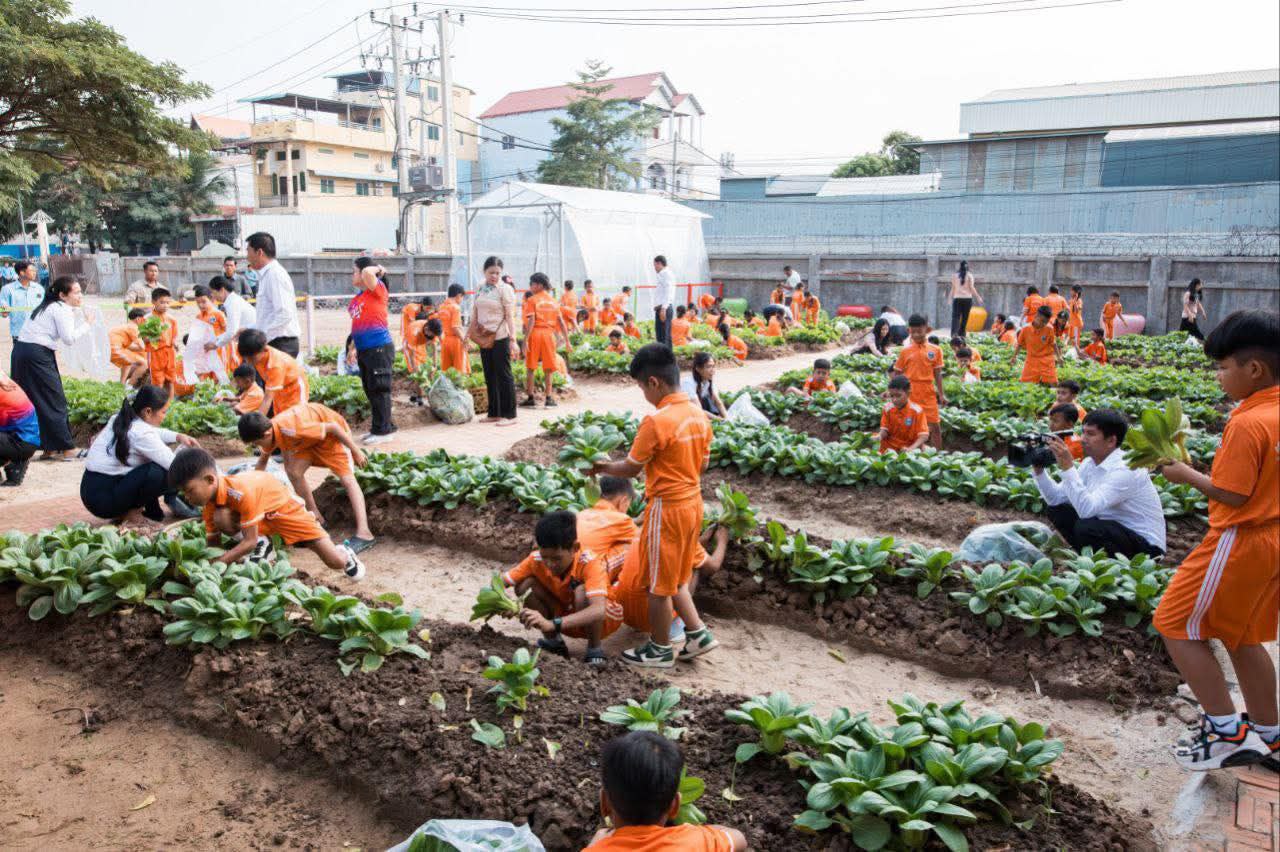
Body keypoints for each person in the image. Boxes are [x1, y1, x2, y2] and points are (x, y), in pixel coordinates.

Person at [1151, 309, 1278, 771]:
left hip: (1238, 538)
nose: (1219, 377)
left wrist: (1184, 474)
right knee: (1241, 635)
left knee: (1173, 623)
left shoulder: (1248, 423)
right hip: (1272, 539)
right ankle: (1271, 735)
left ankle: (1225, 733)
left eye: (1223, 367)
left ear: (1254, 369)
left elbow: (1233, 493)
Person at [591, 344, 717, 668]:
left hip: (668, 508)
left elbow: (632, 469)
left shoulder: (656, 421)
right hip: (694, 503)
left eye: (640, 387)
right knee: (675, 576)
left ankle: (659, 649)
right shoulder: (698, 415)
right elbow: (702, 466)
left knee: (658, 585)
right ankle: (698, 633)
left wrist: (603, 467)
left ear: (653, 383)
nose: (643, 394)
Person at [168, 447, 366, 578]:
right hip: (261, 516)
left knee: (334, 562)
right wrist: (213, 566)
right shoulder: (210, 503)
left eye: (189, 490)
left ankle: (346, 553)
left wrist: (218, 564)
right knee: (221, 517)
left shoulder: (240, 492)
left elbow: (248, 542)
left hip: (287, 512)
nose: (186, 497)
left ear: (210, 480)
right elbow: (213, 543)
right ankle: (265, 541)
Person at [238, 402, 375, 553]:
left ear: (266, 434)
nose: (258, 446)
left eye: (257, 443)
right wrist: (251, 488)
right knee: (293, 471)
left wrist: (356, 451)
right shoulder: (270, 430)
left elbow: (334, 428)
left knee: (348, 480)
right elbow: (262, 462)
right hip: (309, 442)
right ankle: (317, 517)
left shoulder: (291, 428)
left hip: (332, 437)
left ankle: (365, 533)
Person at [1031, 409, 1166, 558]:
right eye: (1083, 432)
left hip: (1147, 549)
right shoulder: (1089, 463)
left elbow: (1087, 510)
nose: (1082, 439)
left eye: (1091, 434)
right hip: (1112, 531)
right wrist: (1038, 470)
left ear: (1111, 441)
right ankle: (1091, 559)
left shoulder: (1127, 469)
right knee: (1058, 510)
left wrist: (1068, 467)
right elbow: (1055, 498)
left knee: (1087, 527)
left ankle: (1112, 565)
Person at [587, 731, 749, 851]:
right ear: (675, 805)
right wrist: (695, 831)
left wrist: (594, 844)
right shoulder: (696, 842)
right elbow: (739, 838)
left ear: (604, 803)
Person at [80, 385, 201, 524]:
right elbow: (174, 465)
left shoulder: (120, 418)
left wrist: (177, 436)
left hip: (92, 491)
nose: (165, 416)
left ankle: (147, 512)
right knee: (161, 473)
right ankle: (131, 513)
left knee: (151, 467)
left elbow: (152, 432)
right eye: (163, 412)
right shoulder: (141, 433)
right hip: (105, 500)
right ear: (148, 411)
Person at [503, 510, 610, 665]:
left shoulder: (590, 562)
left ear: (575, 548)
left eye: (556, 558)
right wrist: (504, 603)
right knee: (524, 585)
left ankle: (594, 649)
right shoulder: (536, 558)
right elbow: (501, 582)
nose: (550, 564)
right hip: (563, 615)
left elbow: (599, 610)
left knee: (582, 592)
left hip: (599, 620)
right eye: (545, 556)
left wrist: (552, 623)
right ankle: (554, 642)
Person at [12, 276, 95, 461]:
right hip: (37, 355)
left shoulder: (47, 306)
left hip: (22, 352)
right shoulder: (61, 309)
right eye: (76, 292)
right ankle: (67, 448)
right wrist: (87, 324)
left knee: (34, 399)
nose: (80, 295)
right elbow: (69, 338)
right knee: (54, 399)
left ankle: (48, 447)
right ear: (62, 295)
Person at [348, 257, 396, 444]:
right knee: (370, 390)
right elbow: (356, 325)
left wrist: (380, 270)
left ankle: (383, 432)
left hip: (379, 347)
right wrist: (352, 348)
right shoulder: (358, 299)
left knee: (380, 389)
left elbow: (369, 273)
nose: (353, 274)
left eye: (355, 270)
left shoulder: (378, 291)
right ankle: (381, 426)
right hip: (364, 349)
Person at [892, 315, 945, 449]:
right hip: (910, 393)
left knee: (935, 426)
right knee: (911, 427)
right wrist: (892, 393)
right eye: (912, 331)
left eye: (919, 331)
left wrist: (942, 394)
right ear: (909, 330)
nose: (915, 334)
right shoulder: (905, 351)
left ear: (927, 329)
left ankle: (939, 456)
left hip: (928, 393)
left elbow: (938, 374)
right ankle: (913, 454)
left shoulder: (936, 350)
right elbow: (897, 373)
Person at [245, 232, 301, 357]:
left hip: (280, 344)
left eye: (248, 251)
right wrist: (251, 329)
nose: (247, 257)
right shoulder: (266, 275)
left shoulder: (275, 275)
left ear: (259, 252)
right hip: (273, 342)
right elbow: (268, 316)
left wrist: (261, 337)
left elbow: (285, 314)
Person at [521, 272, 571, 409]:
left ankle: (530, 397)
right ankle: (548, 398)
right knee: (549, 368)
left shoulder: (532, 300)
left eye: (531, 284)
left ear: (538, 285)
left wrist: (525, 340)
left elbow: (531, 320)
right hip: (549, 335)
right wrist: (567, 340)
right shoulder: (554, 301)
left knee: (531, 367)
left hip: (535, 333)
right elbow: (561, 321)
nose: (530, 287)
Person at [577, 475, 639, 580]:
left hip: (569, 569)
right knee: (636, 546)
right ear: (624, 501)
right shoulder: (622, 519)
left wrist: (636, 520)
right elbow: (644, 540)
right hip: (589, 575)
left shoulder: (582, 514)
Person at [237, 329, 309, 417]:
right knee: (280, 419)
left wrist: (256, 425)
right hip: (280, 390)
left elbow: (267, 398)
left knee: (295, 419)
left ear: (263, 350)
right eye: (245, 358)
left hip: (295, 389)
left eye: (251, 358)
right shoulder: (256, 353)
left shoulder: (275, 365)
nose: (248, 362)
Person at [0, 369, 39, 486]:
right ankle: (14, 463)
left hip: (21, 442)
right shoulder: (4, 381)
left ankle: (15, 461)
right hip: (23, 440)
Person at [207, 275, 257, 365]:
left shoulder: (232, 303)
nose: (213, 296)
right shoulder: (233, 300)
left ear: (222, 290)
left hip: (253, 342)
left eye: (213, 293)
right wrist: (216, 340)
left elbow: (232, 332)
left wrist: (216, 344)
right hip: (250, 340)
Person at [142, 287, 180, 395]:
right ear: (153, 302)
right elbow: (144, 338)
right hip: (155, 354)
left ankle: (170, 403)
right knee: (157, 381)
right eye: (162, 302)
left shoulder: (172, 319)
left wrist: (175, 344)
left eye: (167, 303)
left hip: (170, 353)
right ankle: (158, 404)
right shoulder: (147, 319)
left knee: (171, 379)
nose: (165, 305)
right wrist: (154, 338)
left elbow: (174, 336)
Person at [878, 375, 929, 454]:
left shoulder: (917, 411)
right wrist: (879, 436)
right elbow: (884, 430)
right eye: (891, 396)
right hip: (889, 448)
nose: (894, 400)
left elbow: (924, 435)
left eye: (898, 396)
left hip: (909, 448)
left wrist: (911, 449)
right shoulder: (887, 408)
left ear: (908, 393)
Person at [1013, 306, 1060, 385]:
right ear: (1036, 316)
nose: (1044, 324)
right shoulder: (1025, 329)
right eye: (1042, 321)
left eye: (1046, 322)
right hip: (1031, 359)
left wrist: (1059, 357)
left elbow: (1053, 343)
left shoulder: (1049, 329)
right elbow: (1019, 344)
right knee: (1025, 383)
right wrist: (1014, 357)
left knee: (1053, 383)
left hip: (1047, 359)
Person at [191, 284, 229, 381]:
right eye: (198, 302)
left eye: (204, 302)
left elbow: (227, 332)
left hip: (218, 350)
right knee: (206, 376)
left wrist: (217, 344)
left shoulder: (218, 314)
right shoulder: (198, 317)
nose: (200, 305)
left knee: (220, 376)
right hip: (206, 351)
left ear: (211, 299)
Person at [0, 260, 43, 342]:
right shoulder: (7, 289)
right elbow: (3, 312)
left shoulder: (39, 289)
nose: (35, 273)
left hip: (39, 332)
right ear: (22, 273)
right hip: (19, 334)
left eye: (35, 270)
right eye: (32, 271)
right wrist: (4, 310)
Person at [681, 351, 728, 419]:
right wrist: (720, 420)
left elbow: (718, 403)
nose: (713, 370)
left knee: (709, 400)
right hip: (684, 414)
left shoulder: (707, 381)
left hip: (696, 411)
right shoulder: (688, 383)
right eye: (708, 367)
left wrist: (727, 418)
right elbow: (698, 410)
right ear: (698, 369)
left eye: (713, 366)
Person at [110, 308, 149, 386]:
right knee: (144, 364)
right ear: (138, 319)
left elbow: (131, 347)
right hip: (115, 349)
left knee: (127, 362)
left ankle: (122, 384)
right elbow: (142, 346)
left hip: (111, 348)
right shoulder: (133, 327)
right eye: (144, 320)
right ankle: (130, 386)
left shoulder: (126, 327)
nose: (145, 323)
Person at [948, 259, 983, 339]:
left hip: (957, 298)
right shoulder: (970, 275)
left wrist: (950, 298)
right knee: (965, 317)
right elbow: (972, 287)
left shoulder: (955, 276)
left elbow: (953, 288)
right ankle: (962, 334)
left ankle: (954, 334)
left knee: (955, 317)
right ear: (968, 267)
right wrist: (978, 297)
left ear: (960, 266)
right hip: (967, 299)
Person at [652, 257, 676, 347]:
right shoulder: (666, 273)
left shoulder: (665, 273)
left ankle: (664, 359)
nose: (654, 268)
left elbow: (668, 291)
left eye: (655, 265)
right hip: (663, 307)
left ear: (659, 263)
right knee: (665, 336)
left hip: (664, 308)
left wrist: (663, 308)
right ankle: (668, 358)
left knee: (662, 337)